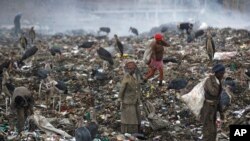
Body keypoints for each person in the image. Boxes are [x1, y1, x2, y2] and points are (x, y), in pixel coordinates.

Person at [200, 64, 225, 141]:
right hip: (207, 108)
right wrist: (214, 81)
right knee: (208, 130)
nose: (223, 75)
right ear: (216, 73)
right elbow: (213, 93)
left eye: (223, 73)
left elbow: (218, 97)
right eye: (221, 73)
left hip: (214, 108)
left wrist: (221, 112)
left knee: (213, 131)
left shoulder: (218, 81)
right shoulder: (209, 80)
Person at [119, 61, 141, 133]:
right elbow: (121, 90)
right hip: (128, 102)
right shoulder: (126, 78)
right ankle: (128, 133)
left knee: (136, 118)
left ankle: (136, 132)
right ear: (127, 69)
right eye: (130, 68)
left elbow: (138, 87)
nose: (132, 70)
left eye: (133, 68)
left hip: (135, 101)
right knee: (129, 119)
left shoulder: (135, 76)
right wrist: (120, 100)